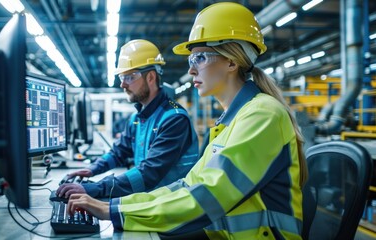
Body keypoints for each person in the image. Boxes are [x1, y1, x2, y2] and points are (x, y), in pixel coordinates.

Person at [66, 3, 308, 239]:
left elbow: (207, 196)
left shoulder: (262, 115)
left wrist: (110, 208)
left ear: (232, 62)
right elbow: (185, 186)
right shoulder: (228, 123)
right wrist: (114, 205)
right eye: (191, 61)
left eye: (199, 58)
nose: (191, 70)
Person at [56, 39, 199, 199]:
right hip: (151, 201)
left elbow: (149, 172)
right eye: (121, 78)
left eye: (129, 77)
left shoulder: (174, 119)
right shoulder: (137, 118)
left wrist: (97, 188)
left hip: (172, 207)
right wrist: (92, 169)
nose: (123, 84)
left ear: (151, 77)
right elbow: (119, 152)